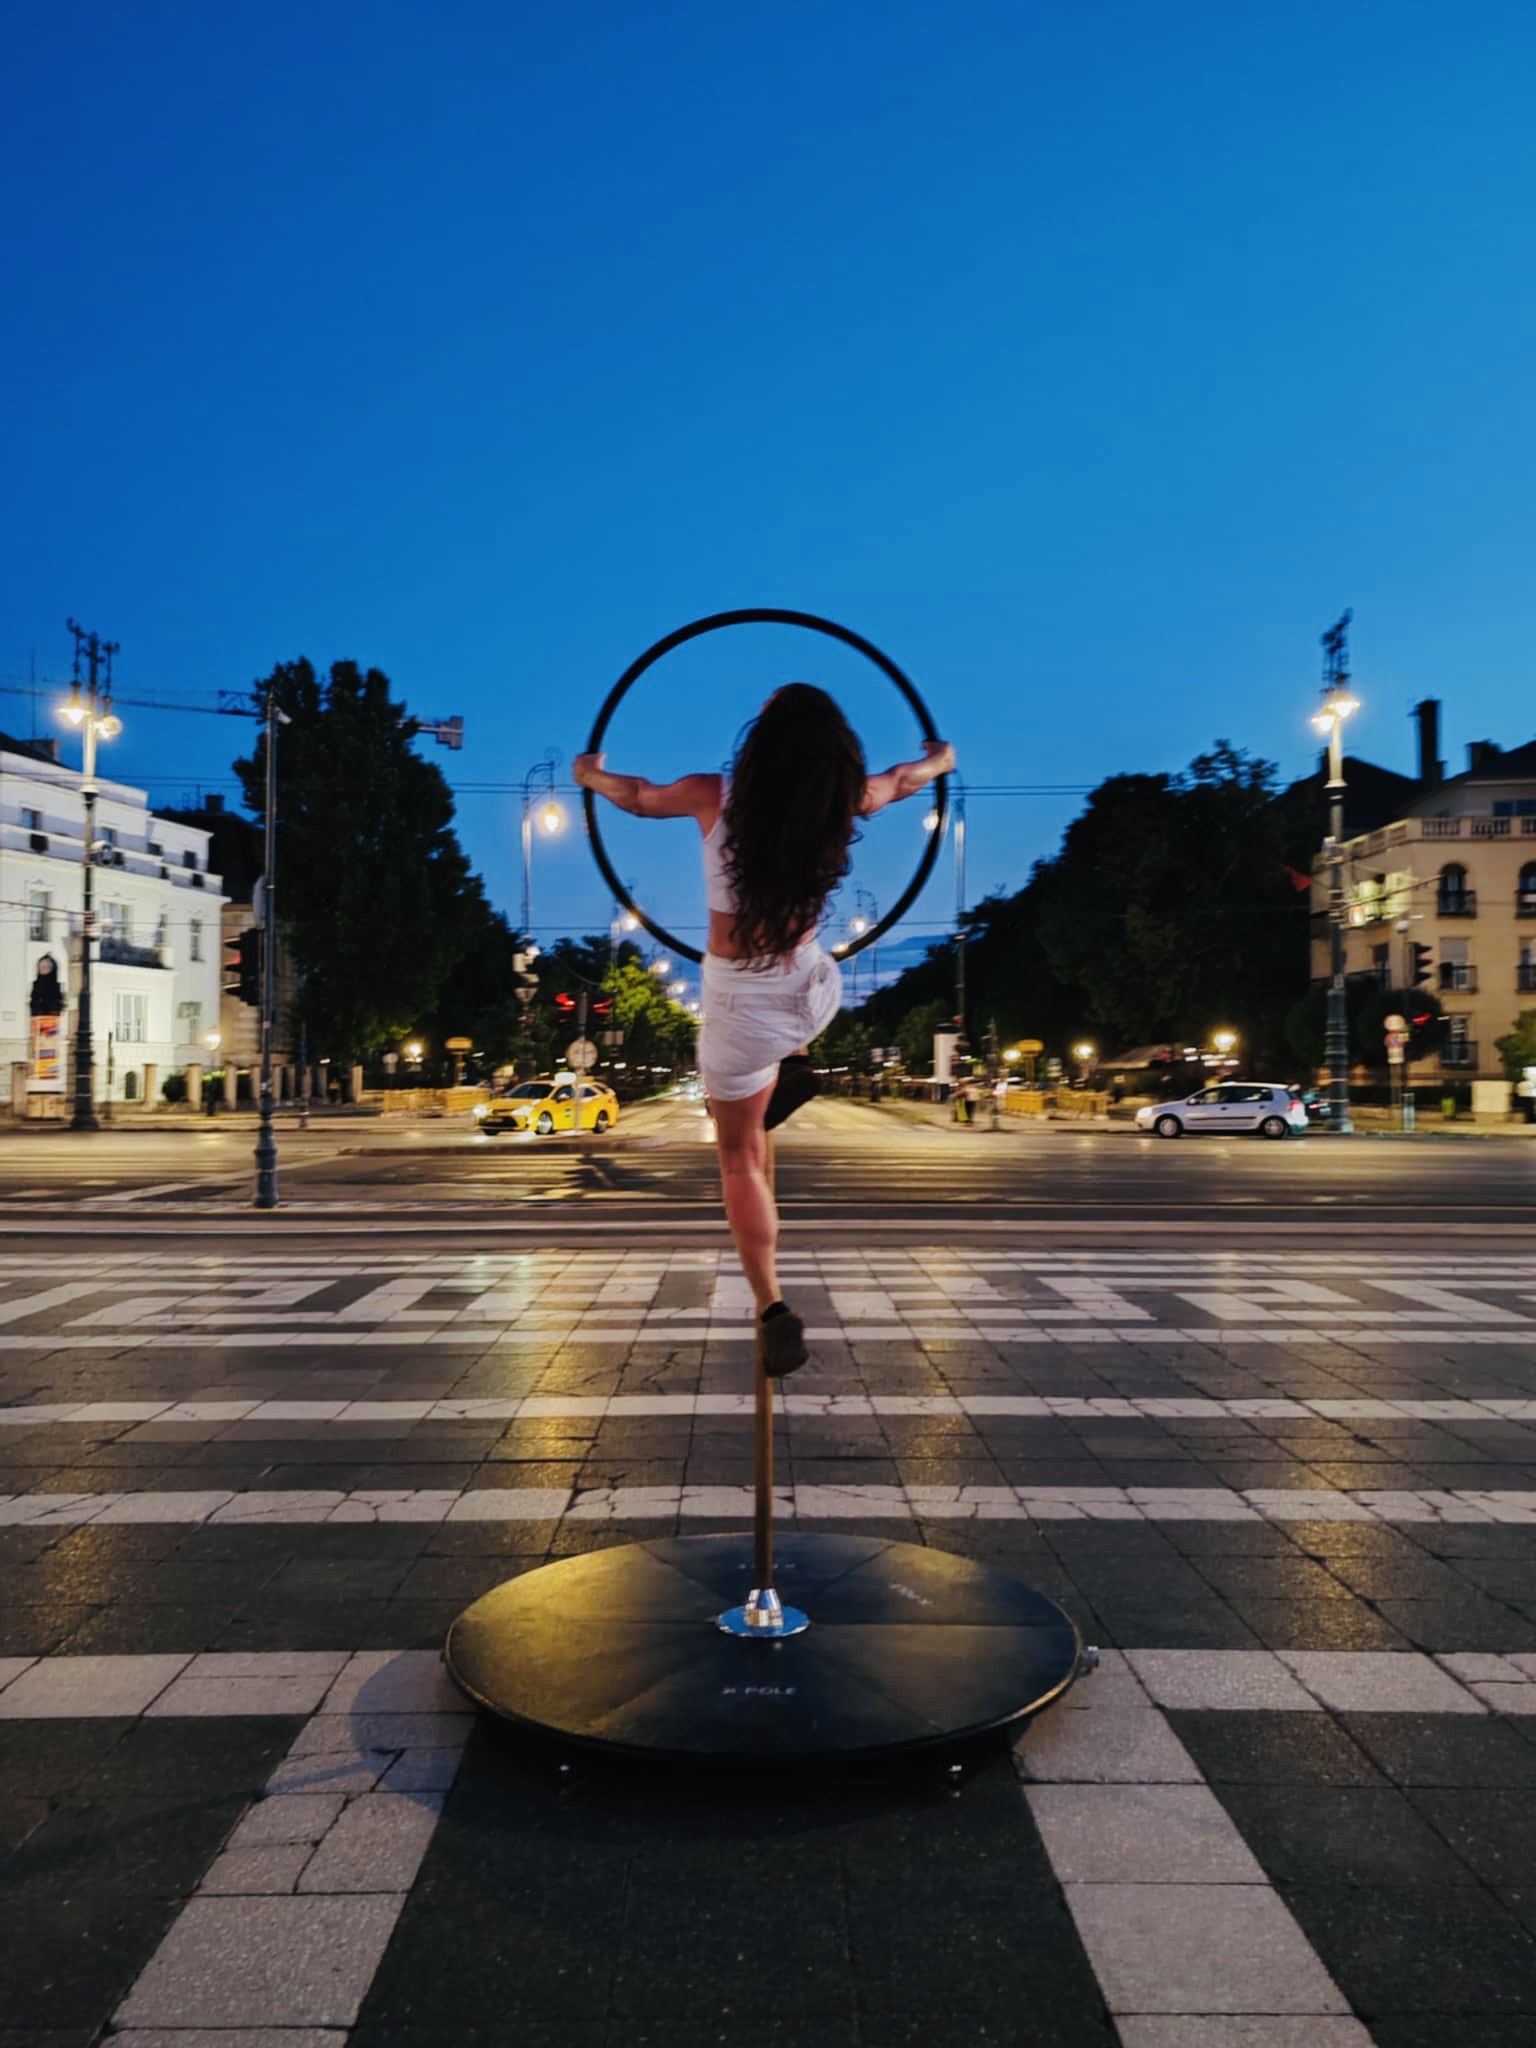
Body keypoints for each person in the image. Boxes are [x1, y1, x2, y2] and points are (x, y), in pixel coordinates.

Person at [575, 686, 954, 1377]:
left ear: (758, 744)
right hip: (812, 991)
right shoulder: (838, 804)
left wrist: (589, 774)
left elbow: (635, 795)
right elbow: (901, 781)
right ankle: (796, 1064)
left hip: (742, 1008)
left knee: (739, 1159)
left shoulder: (713, 796)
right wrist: (942, 760)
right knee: (770, 1081)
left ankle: (773, 1305)